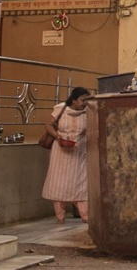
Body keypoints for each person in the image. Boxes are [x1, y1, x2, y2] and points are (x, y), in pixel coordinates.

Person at [42, 87, 91, 223]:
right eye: (82, 100)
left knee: (80, 183)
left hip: (79, 152)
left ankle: (85, 216)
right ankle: (60, 217)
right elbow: (48, 125)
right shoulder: (61, 109)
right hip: (60, 152)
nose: (84, 103)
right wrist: (58, 137)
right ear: (74, 99)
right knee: (59, 182)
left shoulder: (88, 112)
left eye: (87, 100)